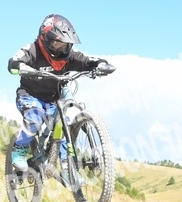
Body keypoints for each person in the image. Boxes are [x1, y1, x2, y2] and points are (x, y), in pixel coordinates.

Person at [7, 14, 109, 173]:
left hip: (54, 101)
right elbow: (14, 61)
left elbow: (87, 60)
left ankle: (68, 170)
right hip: (29, 95)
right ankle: (19, 149)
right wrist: (21, 67)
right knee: (34, 120)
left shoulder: (70, 55)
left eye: (65, 45)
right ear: (45, 39)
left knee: (64, 127)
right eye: (57, 44)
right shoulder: (32, 50)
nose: (62, 49)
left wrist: (101, 64)